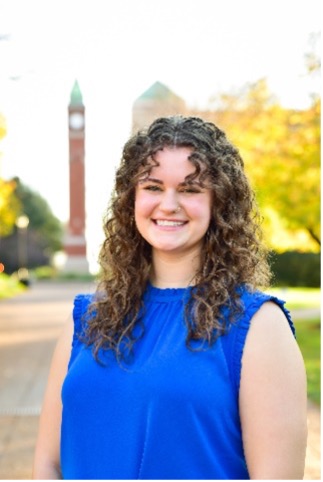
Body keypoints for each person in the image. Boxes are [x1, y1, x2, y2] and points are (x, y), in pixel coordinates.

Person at [33, 115, 307, 479]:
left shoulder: (256, 326)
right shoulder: (87, 319)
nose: (169, 204)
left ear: (219, 203)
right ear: (132, 198)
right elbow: (48, 464)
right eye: (153, 187)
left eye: (191, 189)